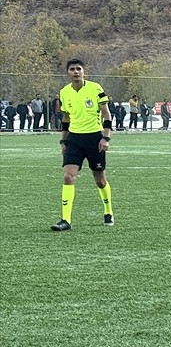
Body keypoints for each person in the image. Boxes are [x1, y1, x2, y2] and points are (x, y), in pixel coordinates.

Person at [51, 59, 115, 231]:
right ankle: (66, 220)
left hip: (94, 138)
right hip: (74, 139)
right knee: (68, 177)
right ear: (68, 73)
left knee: (100, 181)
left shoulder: (95, 88)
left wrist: (105, 138)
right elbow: (66, 118)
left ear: (84, 71)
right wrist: (63, 140)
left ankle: (108, 211)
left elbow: (107, 114)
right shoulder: (64, 92)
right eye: (72, 69)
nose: (76, 72)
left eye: (79, 69)